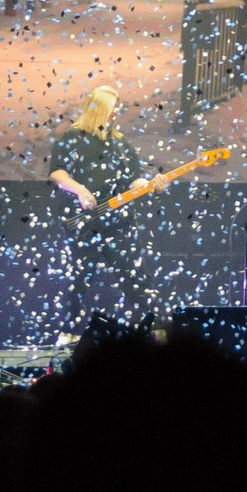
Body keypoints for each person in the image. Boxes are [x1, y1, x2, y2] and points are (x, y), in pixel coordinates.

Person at [49, 86, 169, 331]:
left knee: (135, 280)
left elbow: (133, 179)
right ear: (99, 109)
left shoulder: (120, 143)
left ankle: (151, 334)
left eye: (117, 110)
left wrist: (150, 185)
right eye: (112, 109)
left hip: (119, 223)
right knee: (78, 280)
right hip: (83, 223)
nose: (115, 115)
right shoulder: (73, 138)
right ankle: (68, 334)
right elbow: (57, 173)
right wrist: (81, 190)